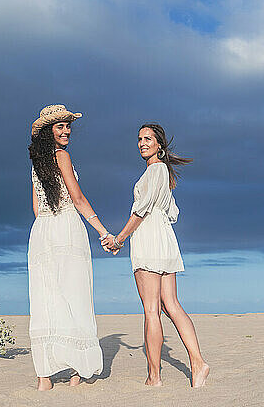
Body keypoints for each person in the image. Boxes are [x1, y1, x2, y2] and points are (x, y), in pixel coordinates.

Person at [102, 123, 210, 388]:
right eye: (139, 139)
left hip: (149, 238)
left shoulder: (155, 171)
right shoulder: (163, 172)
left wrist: (119, 239)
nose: (142, 143)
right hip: (164, 238)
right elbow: (172, 212)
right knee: (170, 304)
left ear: (159, 144)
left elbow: (140, 212)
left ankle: (155, 376)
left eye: (148, 138)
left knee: (152, 310)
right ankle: (198, 363)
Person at [27, 104, 115, 391]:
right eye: (60, 126)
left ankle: (45, 377)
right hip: (66, 228)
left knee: (45, 300)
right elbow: (77, 198)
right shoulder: (61, 155)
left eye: (68, 126)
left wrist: (48, 231)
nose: (66, 131)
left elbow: (36, 209)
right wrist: (103, 231)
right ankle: (77, 369)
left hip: (41, 233)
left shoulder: (36, 163)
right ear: (48, 132)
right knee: (75, 296)